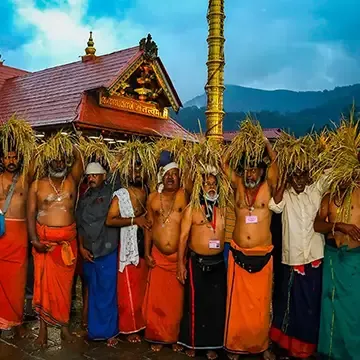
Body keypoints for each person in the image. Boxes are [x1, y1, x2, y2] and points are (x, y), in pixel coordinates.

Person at [222, 137, 278, 360]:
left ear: (262, 172)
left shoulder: (268, 187)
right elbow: (222, 164)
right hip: (238, 254)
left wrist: (265, 143)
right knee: (236, 306)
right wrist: (236, 144)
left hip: (262, 254)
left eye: (255, 170)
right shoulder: (237, 185)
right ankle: (235, 345)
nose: (251, 174)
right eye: (247, 170)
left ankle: (261, 346)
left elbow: (275, 163)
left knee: (261, 306)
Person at [269, 168, 329, 359]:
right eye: (294, 175)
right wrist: (284, 180)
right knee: (291, 306)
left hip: (315, 257)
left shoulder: (316, 189)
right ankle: (289, 348)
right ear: (289, 177)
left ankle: (309, 349)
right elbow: (274, 206)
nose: (299, 180)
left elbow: (332, 173)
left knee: (312, 304)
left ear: (308, 175)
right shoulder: (286, 194)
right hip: (293, 258)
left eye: (302, 175)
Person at [27, 145, 83, 347]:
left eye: (62, 159)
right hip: (44, 244)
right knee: (42, 289)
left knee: (65, 289)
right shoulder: (37, 185)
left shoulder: (72, 181)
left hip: (67, 245)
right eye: (55, 158)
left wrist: (66, 142)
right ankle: (42, 331)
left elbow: (80, 159)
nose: (59, 162)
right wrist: (35, 241)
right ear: (48, 160)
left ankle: (64, 328)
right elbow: (31, 214)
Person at [177, 169, 226, 360]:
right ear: (200, 187)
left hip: (217, 264)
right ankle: (193, 344)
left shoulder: (224, 208)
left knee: (215, 305)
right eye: (207, 184)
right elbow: (182, 238)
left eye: (214, 184)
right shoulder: (192, 208)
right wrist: (180, 265)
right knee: (194, 305)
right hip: (196, 262)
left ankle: (212, 345)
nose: (211, 187)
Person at [143, 152, 188, 352]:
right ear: (162, 176)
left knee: (176, 302)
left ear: (180, 177)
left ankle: (175, 337)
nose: (171, 178)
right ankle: (157, 336)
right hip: (158, 257)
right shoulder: (153, 198)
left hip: (177, 258)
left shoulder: (185, 195)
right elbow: (148, 227)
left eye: (175, 174)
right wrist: (147, 253)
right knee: (157, 301)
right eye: (167, 174)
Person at [106, 159, 150, 343]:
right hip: (127, 246)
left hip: (143, 245)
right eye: (132, 170)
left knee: (142, 287)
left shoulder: (148, 191)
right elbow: (110, 220)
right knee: (128, 289)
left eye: (139, 169)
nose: (136, 174)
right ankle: (130, 328)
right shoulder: (121, 195)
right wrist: (134, 221)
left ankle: (143, 324)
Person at [314, 187, 360, 360]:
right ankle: (332, 352)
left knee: (354, 308)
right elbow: (317, 224)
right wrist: (339, 226)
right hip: (333, 257)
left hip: (354, 260)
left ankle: (354, 352)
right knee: (331, 304)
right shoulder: (330, 195)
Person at [77, 162, 119, 345]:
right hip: (88, 252)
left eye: (95, 175)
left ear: (103, 176)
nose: (91, 178)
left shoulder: (113, 193)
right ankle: (94, 331)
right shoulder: (85, 197)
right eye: (89, 175)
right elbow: (79, 224)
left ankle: (111, 332)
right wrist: (81, 248)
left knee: (107, 293)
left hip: (106, 249)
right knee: (92, 292)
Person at [0, 150, 34, 336]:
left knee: (18, 282)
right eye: (7, 157)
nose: (11, 161)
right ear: (2, 159)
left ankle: (16, 321)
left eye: (14, 157)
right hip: (1, 235)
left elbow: (35, 158)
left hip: (19, 236)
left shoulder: (25, 180)